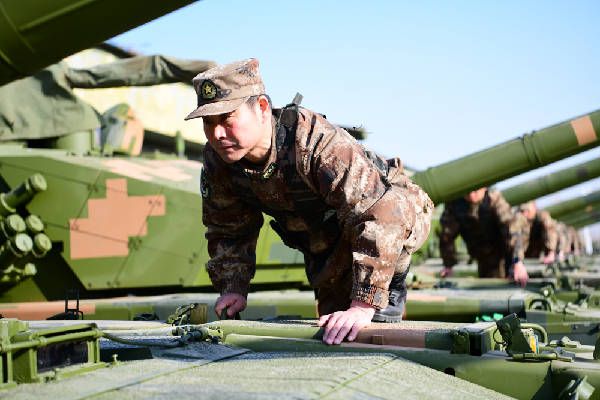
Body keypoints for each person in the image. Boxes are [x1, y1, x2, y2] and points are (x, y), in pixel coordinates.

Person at [185, 59, 433, 345]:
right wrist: (232, 287)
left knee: (367, 323)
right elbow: (227, 227)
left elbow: (379, 212)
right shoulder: (219, 160)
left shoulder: (315, 143)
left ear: (263, 109)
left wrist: (364, 303)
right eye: (208, 122)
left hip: (393, 211)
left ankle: (393, 284)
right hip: (328, 237)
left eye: (227, 119)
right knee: (334, 331)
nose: (217, 133)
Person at [0, 54, 216, 150]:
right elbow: (127, 72)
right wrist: (195, 68)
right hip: (65, 132)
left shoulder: (46, 71)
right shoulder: (48, 70)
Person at [439, 187, 529, 286]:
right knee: (490, 285)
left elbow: (511, 229)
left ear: (484, 188)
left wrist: (517, 262)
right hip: (482, 254)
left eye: (476, 191)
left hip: (505, 250)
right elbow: (447, 235)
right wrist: (448, 264)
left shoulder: (493, 198)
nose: (472, 195)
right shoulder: (455, 204)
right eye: (467, 193)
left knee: (518, 219)